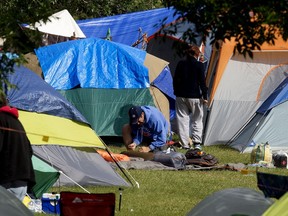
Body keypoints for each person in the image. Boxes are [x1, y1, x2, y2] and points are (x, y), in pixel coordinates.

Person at [0, 92, 35, 201]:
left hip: (6, 180)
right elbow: (29, 151)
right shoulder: (16, 121)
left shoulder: (1, 119)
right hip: (22, 179)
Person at [173, 45, 208, 150]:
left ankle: (185, 144)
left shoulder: (180, 64)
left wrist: (176, 92)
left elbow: (175, 80)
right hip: (194, 97)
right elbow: (202, 82)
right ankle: (197, 143)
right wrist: (205, 96)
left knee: (182, 120)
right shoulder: (199, 65)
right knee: (197, 119)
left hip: (181, 96)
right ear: (197, 54)